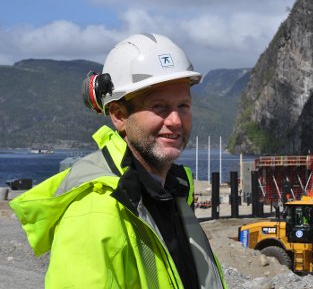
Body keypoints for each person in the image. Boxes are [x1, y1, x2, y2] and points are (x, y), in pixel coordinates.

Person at [10, 33, 227, 288]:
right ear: (119, 116)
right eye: (159, 107)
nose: (175, 121)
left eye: (183, 106)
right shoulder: (96, 214)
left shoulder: (173, 194)